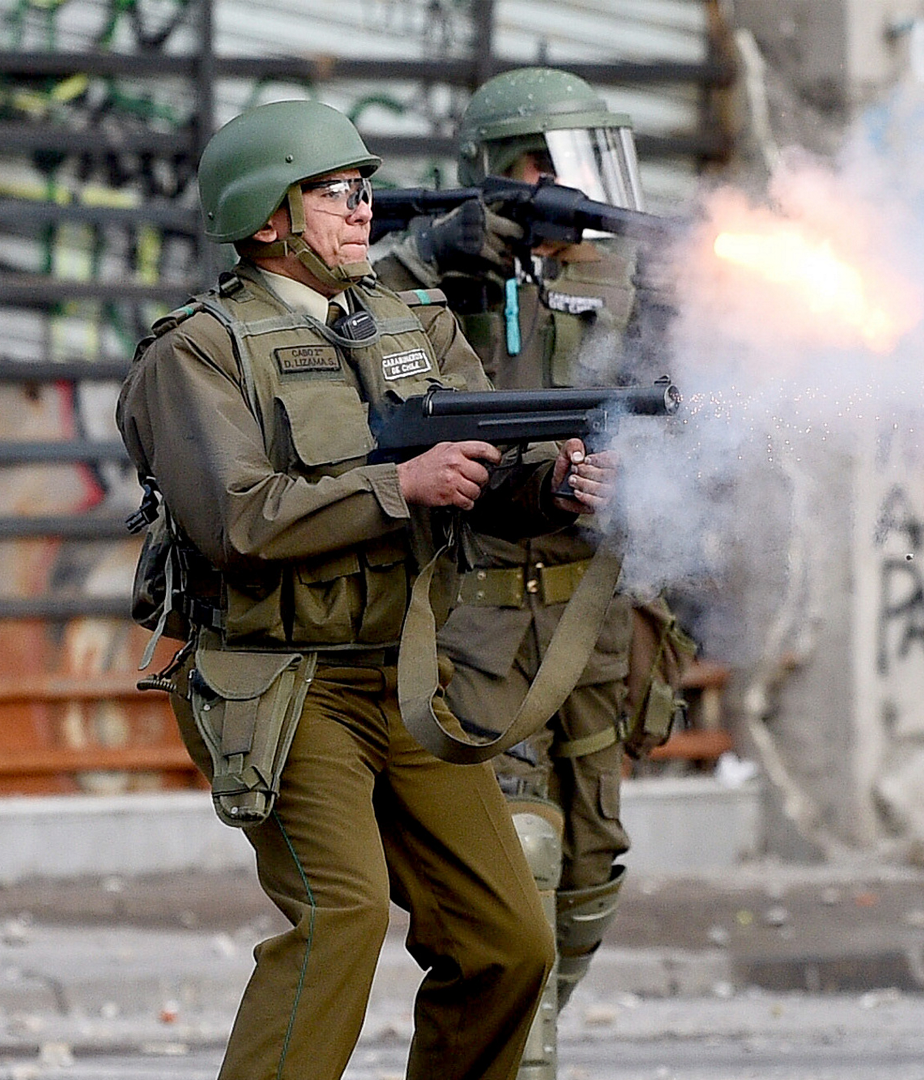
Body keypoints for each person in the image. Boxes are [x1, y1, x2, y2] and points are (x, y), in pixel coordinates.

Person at [116, 99, 616, 1080]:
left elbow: (487, 474)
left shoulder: (406, 322)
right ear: (267, 218)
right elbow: (236, 520)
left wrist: (552, 486)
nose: (362, 211)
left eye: (363, 190)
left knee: (509, 941)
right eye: (335, 193)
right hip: (283, 682)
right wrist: (400, 485)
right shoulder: (200, 351)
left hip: (404, 676)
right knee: (340, 913)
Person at [374, 68, 689, 1080]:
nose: (584, 192)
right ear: (514, 171)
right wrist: (433, 251)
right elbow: (327, 328)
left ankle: (503, 1048)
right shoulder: (434, 274)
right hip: (480, 626)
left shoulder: (638, 284)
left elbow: (702, 424)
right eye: (557, 167)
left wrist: (636, 479)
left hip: (595, 630)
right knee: (517, 873)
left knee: (591, 875)